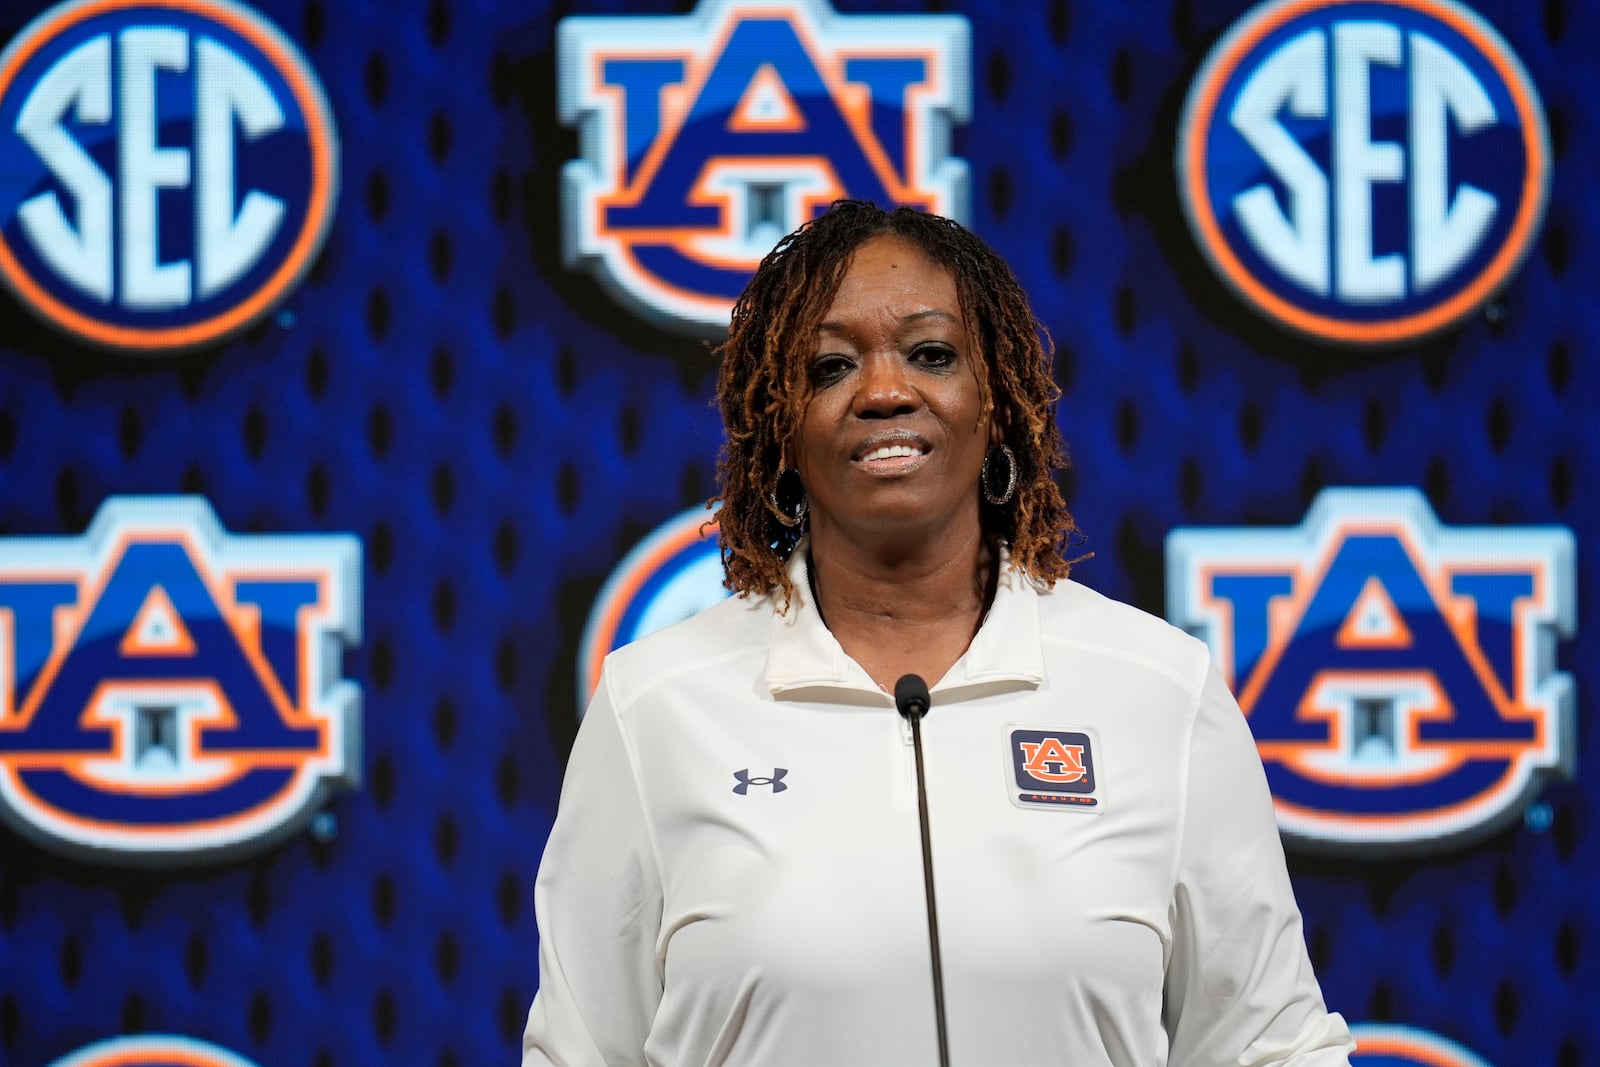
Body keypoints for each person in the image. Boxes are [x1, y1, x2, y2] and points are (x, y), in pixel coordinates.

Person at [522, 201, 1354, 1065]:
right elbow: (580, 1051)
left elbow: (1271, 1045)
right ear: (781, 426)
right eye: (830, 365)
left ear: (995, 400)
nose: (885, 392)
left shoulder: (1156, 690)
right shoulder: (656, 705)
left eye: (931, 354)